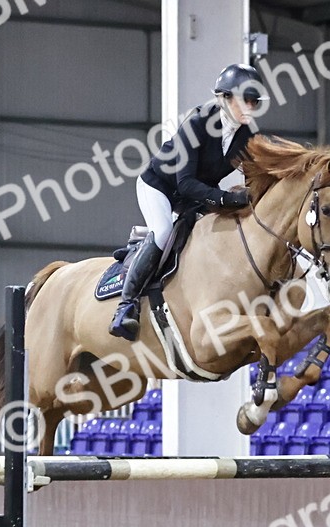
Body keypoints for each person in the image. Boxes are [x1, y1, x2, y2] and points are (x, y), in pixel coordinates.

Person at [108, 63, 268, 341]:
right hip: (160, 186)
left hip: (199, 191)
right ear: (225, 98)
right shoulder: (197, 124)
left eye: (254, 101)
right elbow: (184, 183)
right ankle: (126, 305)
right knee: (164, 233)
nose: (250, 107)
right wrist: (226, 198)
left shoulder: (247, 135)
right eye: (245, 100)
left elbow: (255, 173)